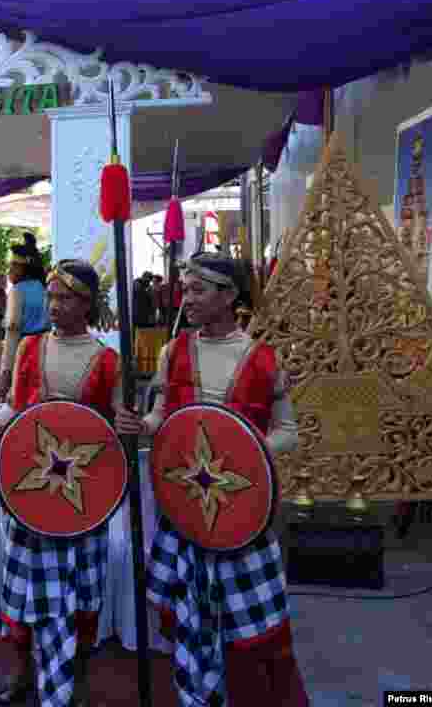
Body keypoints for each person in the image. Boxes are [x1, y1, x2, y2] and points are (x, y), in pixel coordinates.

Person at [115, 251, 309, 707]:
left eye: (198, 289)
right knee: (193, 621)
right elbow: (161, 418)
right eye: (186, 288)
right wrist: (140, 426)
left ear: (229, 295)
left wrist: (254, 447)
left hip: (244, 517)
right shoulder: (173, 351)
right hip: (186, 510)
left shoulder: (264, 360)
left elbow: (289, 432)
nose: (188, 297)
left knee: (250, 632)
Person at [0, 260, 124, 707]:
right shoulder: (30, 349)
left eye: (66, 298)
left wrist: (134, 424)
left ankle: (76, 679)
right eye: (52, 296)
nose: (55, 305)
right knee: (25, 589)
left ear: (88, 303)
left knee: (80, 590)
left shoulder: (109, 360)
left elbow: (116, 429)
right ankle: (23, 674)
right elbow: (14, 409)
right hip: (32, 491)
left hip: (83, 498)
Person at [0, 233, 49, 402]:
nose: (8, 270)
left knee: (18, 407)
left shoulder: (17, 291)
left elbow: (12, 330)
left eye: (13, 266)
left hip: (24, 353)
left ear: (23, 268)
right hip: (47, 351)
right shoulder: (44, 288)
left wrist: (5, 373)